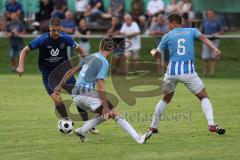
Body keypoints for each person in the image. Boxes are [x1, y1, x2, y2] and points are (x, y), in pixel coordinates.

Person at [54, 37, 153, 143]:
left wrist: (59, 85)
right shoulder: (103, 61)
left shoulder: (90, 56)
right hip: (85, 94)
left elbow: (72, 71)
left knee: (109, 113)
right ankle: (138, 139)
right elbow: (100, 84)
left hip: (77, 96)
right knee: (111, 111)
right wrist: (105, 106)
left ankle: (82, 131)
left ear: (100, 46)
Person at [16, 17, 99, 134]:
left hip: (65, 72)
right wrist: (20, 66)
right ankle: (67, 121)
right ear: (49, 29)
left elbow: (80, 49)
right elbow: (24, 50)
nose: (56, 33)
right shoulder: (42, 39)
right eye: (53, 30)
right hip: (49, 76)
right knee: (57, 98)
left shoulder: (65, 38)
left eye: (58, 30)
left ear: (61, 29)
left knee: (78, 97)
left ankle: (87, 124)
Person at [149, 14, 225, 135]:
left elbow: (157, 54)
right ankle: (211, 124)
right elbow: (204, 38)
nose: (168, 26)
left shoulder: (167, 35)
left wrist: (153, 51)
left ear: (173, 23)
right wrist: (214, 49)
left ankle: (153, 126)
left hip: (171, 73)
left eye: (169, 24)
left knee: (166, 98)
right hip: (188, 72)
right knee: (203, 96)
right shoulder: (192, 31)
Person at [201, 9, 224, 76]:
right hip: (206, 40)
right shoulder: (205, 21)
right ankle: (205, 72)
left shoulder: (217, 21)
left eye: (211, 13)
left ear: (214, 14)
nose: (209, 14)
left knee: (214, 57)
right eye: (208, 13)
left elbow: (222, 31)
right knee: (205, 57)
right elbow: (201, 30)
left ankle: (212, 73)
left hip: (215, 40)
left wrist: (217, 33)